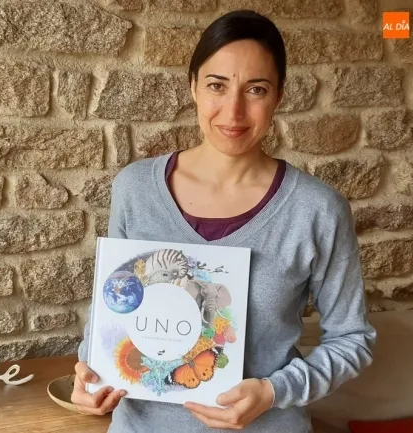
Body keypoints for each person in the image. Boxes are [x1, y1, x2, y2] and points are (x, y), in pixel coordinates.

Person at [71, 9, 376, 433]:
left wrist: (274, 391)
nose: (234, 111)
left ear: (279, 96)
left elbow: (353, 339)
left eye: (256, 89)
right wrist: (89, 370)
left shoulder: (317, 209)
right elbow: (113, 302)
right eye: (217, 85)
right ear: (193, 86)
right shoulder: (135, 188)